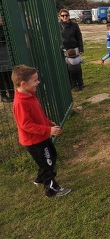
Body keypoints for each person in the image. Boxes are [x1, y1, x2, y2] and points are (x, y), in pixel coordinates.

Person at [11, 64, 71, 197]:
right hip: (34, 141)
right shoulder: (20, 102)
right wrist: (48, 130)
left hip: (41, 136)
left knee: (50, 157)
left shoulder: (30, 94)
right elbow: (26, 125)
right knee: (48, 163)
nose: (38, 82)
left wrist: (48, 123)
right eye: (35, 80)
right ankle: (52, 189)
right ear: (23, 83)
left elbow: (37, 115)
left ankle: (40, 178)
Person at [59, 9, 85, 87]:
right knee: (67, 67)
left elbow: (79, 36)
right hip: (64, 49)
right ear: (60, 17)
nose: (65, 17)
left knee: (77, 67)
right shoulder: (58, 26)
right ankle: (71, 84)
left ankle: (80, 83)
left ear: (69, 16)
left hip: (74, 48)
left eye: (66, 15)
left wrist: (81, 48)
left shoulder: (74, 25)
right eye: (63, 15)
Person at [0, 17, 14, 102]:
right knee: (1, 75)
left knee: (8, 73)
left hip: (5, 52)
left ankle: (12, 93)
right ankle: (3, 94)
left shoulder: (5, 27)